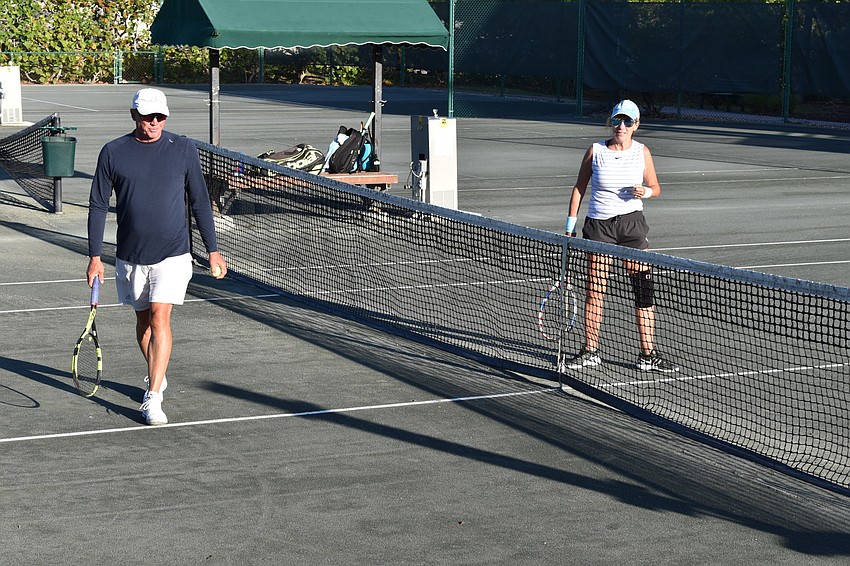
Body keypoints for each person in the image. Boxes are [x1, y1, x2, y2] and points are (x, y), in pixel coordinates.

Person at [87, 88, 227, 425]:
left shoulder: (183, 149)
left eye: (160, 116)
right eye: (148, 116)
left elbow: (198, 201)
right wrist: (94, 257)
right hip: (130, 255)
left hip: (173, 254)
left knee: (160, 316)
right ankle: (156, 371)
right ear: (134, 115)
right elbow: (97, 204)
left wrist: (212, 249)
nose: (154, 122)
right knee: (144, 321)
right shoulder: (113, 152)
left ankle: (153, 397)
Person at [564, 99, 678, 373]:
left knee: (643, 289)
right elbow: (579, 188)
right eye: (618, 120)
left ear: (636, 125)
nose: (622, 126)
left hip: (632, 227)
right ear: (611, 122)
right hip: (599, 227)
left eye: (628, 121)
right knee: (595, 291)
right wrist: (569, 226)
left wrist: (646, 192)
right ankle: (590, 351)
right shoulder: (595, 151)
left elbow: (656, 187)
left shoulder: (642, 152)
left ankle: (647, 355)